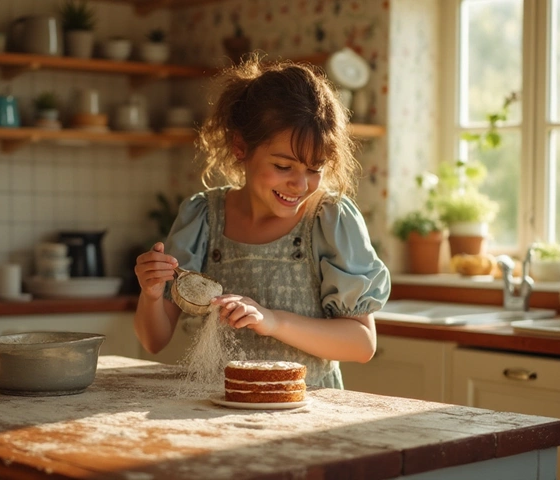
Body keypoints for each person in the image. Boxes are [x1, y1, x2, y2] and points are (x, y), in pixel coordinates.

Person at [134, 54, 390, 388]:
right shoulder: (203, 218)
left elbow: (361, 343)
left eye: (315, 169)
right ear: (241, 146)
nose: (300, 185)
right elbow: (154, 340)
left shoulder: (329, 220)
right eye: (283, 167)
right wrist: (151, 294)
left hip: (309, 413)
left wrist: (271, 321)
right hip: (219, 407)